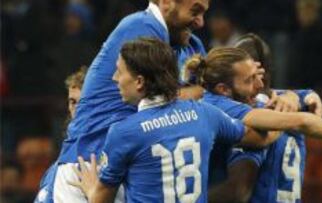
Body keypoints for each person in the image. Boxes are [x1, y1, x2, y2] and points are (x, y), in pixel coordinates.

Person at [69, 37, 322, 203]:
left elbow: (100, 200)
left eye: (120, 72)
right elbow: (264, 134)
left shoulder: (124, 131)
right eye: (251, 78)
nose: (114, 78)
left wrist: (89, 187)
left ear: (141, 81)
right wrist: (294, 103)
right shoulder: (204, 114)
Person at [39, 0, 209, 202]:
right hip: (88, 167)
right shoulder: (141, 27)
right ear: (166, 2)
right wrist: (203, 90)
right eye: (195, 11)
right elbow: (165, 99)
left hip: (126, 170)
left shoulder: (189, 46)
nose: (201, 22)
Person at [182, 46, 322, 203]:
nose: (260, 85)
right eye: (250, 79)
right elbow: (301, 122)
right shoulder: (222, 108)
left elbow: (275, 97)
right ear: (223, 89)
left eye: (259, 76)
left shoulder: (253, 101)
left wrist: (297, 95)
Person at [34, 66, 88, 203]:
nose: (76, 109)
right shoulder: (59, 164)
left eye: (82, 102)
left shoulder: (106, 150)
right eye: (72, 102)